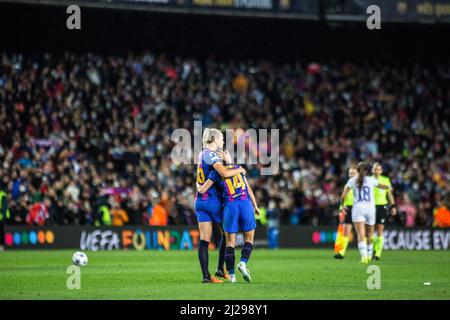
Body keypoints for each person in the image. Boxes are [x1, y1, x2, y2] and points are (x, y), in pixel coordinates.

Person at [195, 128, 246, 283]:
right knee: (228, 234)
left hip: (200, 201)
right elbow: (223, 172)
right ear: (214, 139)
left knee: (204, 240)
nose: (223, 141)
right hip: (213, 201)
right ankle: (220, 269)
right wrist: (239, 169)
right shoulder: (210, 154)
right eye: (222, 139)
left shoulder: (200, 154)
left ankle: (206, 276)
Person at [198, 163, 260, 283]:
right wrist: (256, 206)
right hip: (245, 202)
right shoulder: (238, 168)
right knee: (249, 240)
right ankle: (243, 262)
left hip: (230, 206)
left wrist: (197, 185)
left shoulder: (216, 172)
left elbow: (202, 190)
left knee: (230, 242)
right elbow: (249, 189)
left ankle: (232, 275)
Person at [340, 162, 392, 264]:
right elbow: (383, 186)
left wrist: (342, 206)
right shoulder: (371, 180)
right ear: (368, 171)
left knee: (361, 234)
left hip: (358, 209)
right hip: (370, 209)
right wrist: (388, 187)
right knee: (370, 234)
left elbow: (343, 196)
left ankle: (364, 257)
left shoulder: (352, 181)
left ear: (357, 171)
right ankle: (369, 255)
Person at [371, 163, 396, 261]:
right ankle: (373, 249)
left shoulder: (385, 180)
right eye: (375, 169)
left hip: (382, 206)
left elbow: (389, 194)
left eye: (378, 169)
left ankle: (377, 253)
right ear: (372, 170)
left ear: (381, 171)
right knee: (371, 230)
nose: (376, 171)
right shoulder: (369, 179)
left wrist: (393, 206)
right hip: (370, 206)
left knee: (380, 228)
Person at [334, 165, 357, 259]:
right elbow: (343, 198)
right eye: (350, 173)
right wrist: (341, 208)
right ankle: (341, 252)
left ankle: (370, 252)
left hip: (360, 208)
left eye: (353, 173)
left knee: (364, 231)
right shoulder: (347, 185)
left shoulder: (361, 184)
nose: (351, 175)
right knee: (346, 230)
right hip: (348, 209)